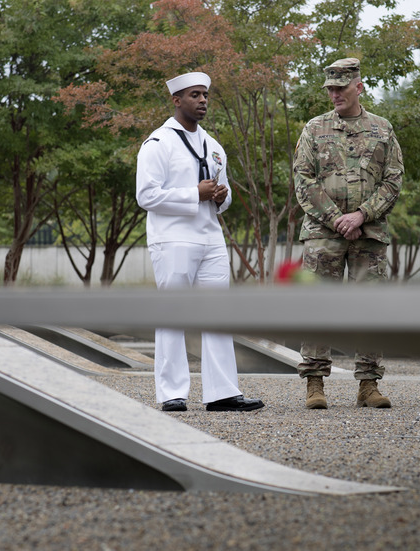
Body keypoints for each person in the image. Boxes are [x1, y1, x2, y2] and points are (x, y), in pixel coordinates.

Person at [135, 71, 264, 413]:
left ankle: (222, 393)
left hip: (210, 237)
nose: (203, 100)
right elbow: (146, 195)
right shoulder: (158, 143)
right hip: (173, 238)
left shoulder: (213, 144)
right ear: (176, 101)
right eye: (195, 95)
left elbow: (225, 194)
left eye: (205, 95)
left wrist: (221, 195)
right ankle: (172, 393)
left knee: (218, 313)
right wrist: (194, 193)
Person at [292, 58, 404, 409]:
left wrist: (361, 215)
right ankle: (315, 385)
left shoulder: (382, 129)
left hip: (368, 233)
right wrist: (336, 218)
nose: (335, 94)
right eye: (330, 89)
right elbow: (303, 179)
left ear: (358, 86)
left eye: (341, 88)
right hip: (322, 233)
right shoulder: (314, 128)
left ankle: (368, 385)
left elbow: (393, 180)